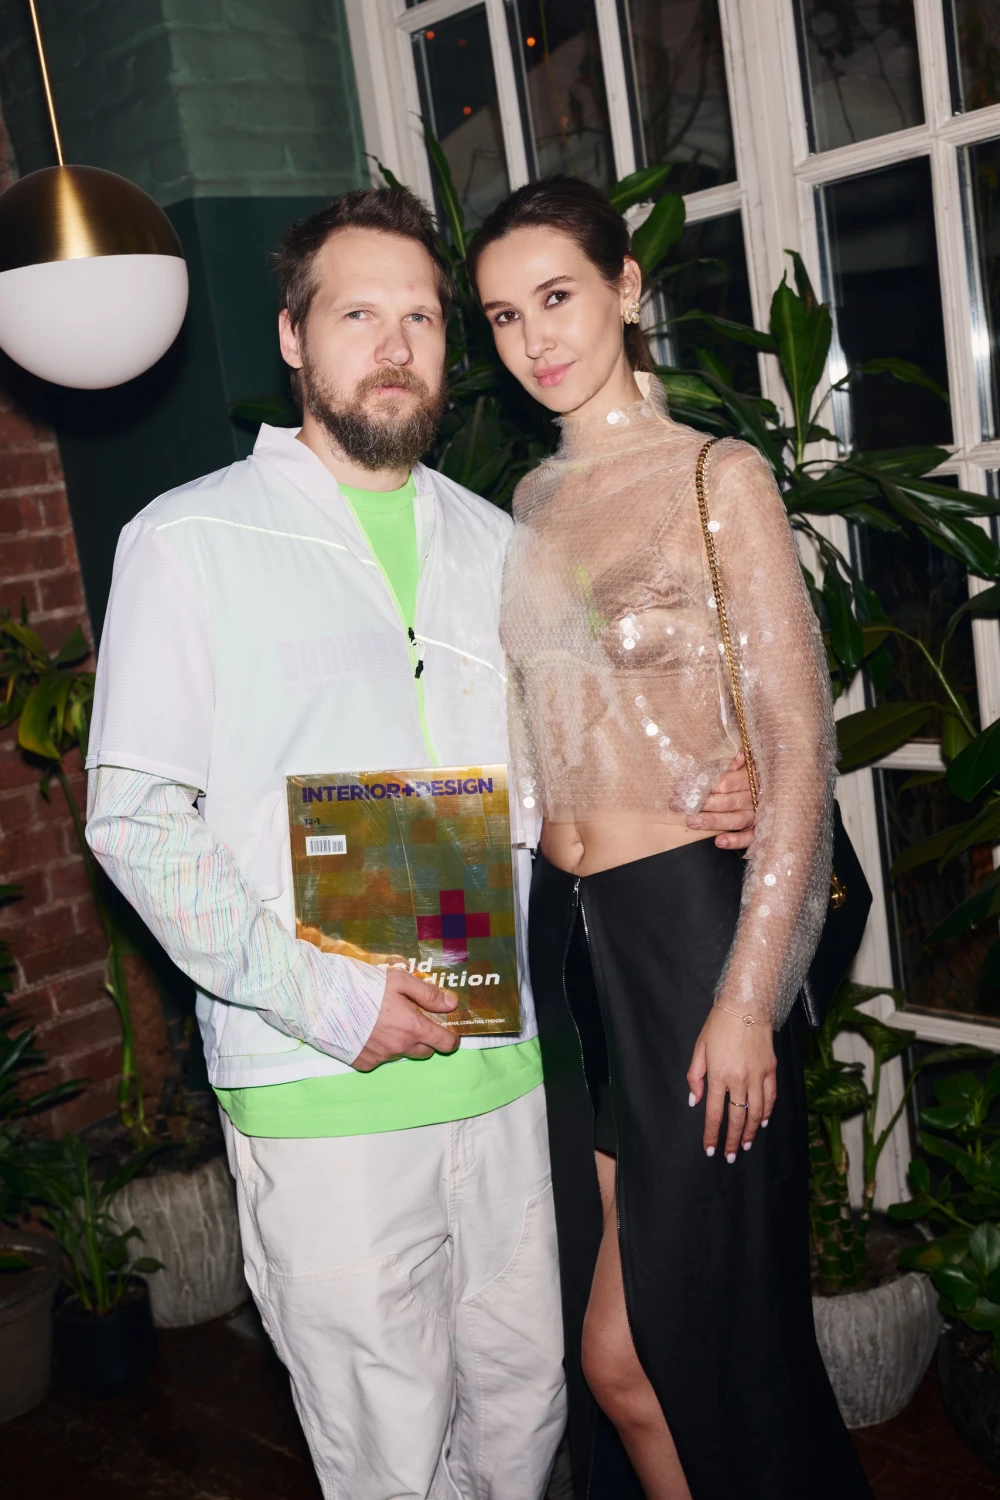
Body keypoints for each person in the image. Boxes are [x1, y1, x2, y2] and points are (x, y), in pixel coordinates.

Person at [84, 184, 756, 1500]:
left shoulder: (502, 548)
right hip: (319, 1094)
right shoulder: (188, 539)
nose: (395, 347)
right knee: (390, 1458)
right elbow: (137, 820)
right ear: (293, 336)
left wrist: (703, 791)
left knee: (523, 1423)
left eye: (423, 320)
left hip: (503, 1082)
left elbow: (564, 782)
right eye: (359, 316)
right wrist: (333, 998)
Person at [469, 177, 874, 1500]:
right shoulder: (530, 503)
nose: (535, 339)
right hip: (569, 947)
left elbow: (797, 743)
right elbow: (537, 736)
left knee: (688, 1350)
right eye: (504, 316)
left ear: (627, 289)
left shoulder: (719, 477)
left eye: (558, 297)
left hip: (689, 937)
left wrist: (749, 997)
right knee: (622, 1365)